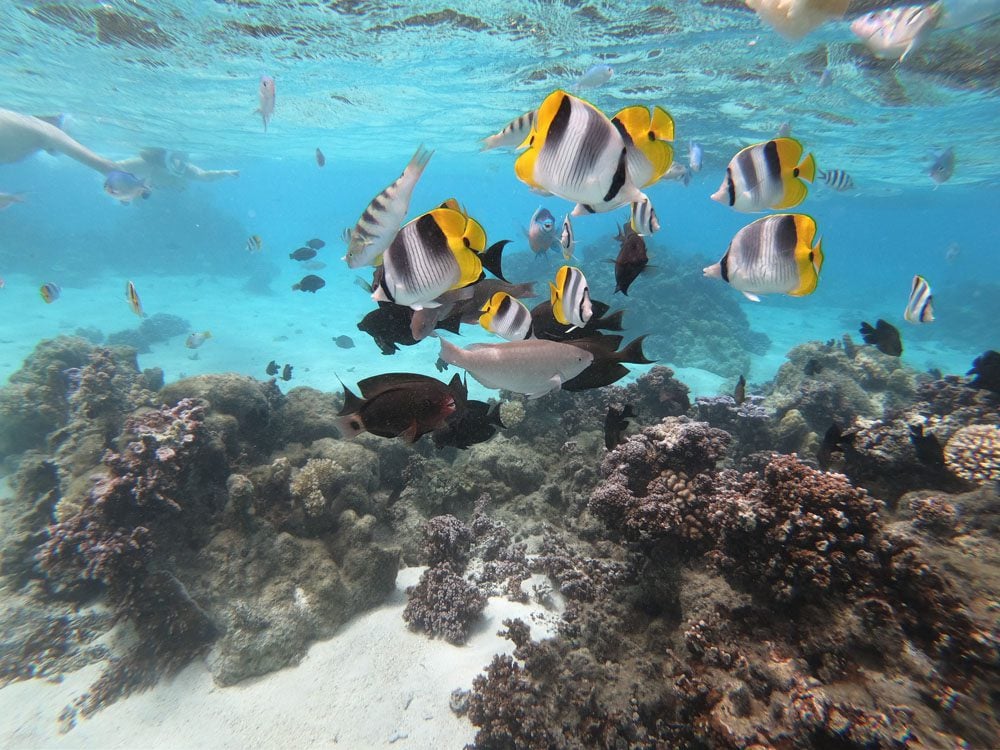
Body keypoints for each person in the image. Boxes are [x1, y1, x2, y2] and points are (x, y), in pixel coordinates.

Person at [0, 107, 118, 174]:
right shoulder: (34, 133)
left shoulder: (34, 133)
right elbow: (48, 133)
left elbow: (49, 133)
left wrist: (108, 169)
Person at [114, 148, 238, 190]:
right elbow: (116, 166)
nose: (179, 165)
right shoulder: (146, 164)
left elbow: (205, 176)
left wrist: (225, 173)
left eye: (183, 162)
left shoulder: (184, 169)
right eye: (174, 161)